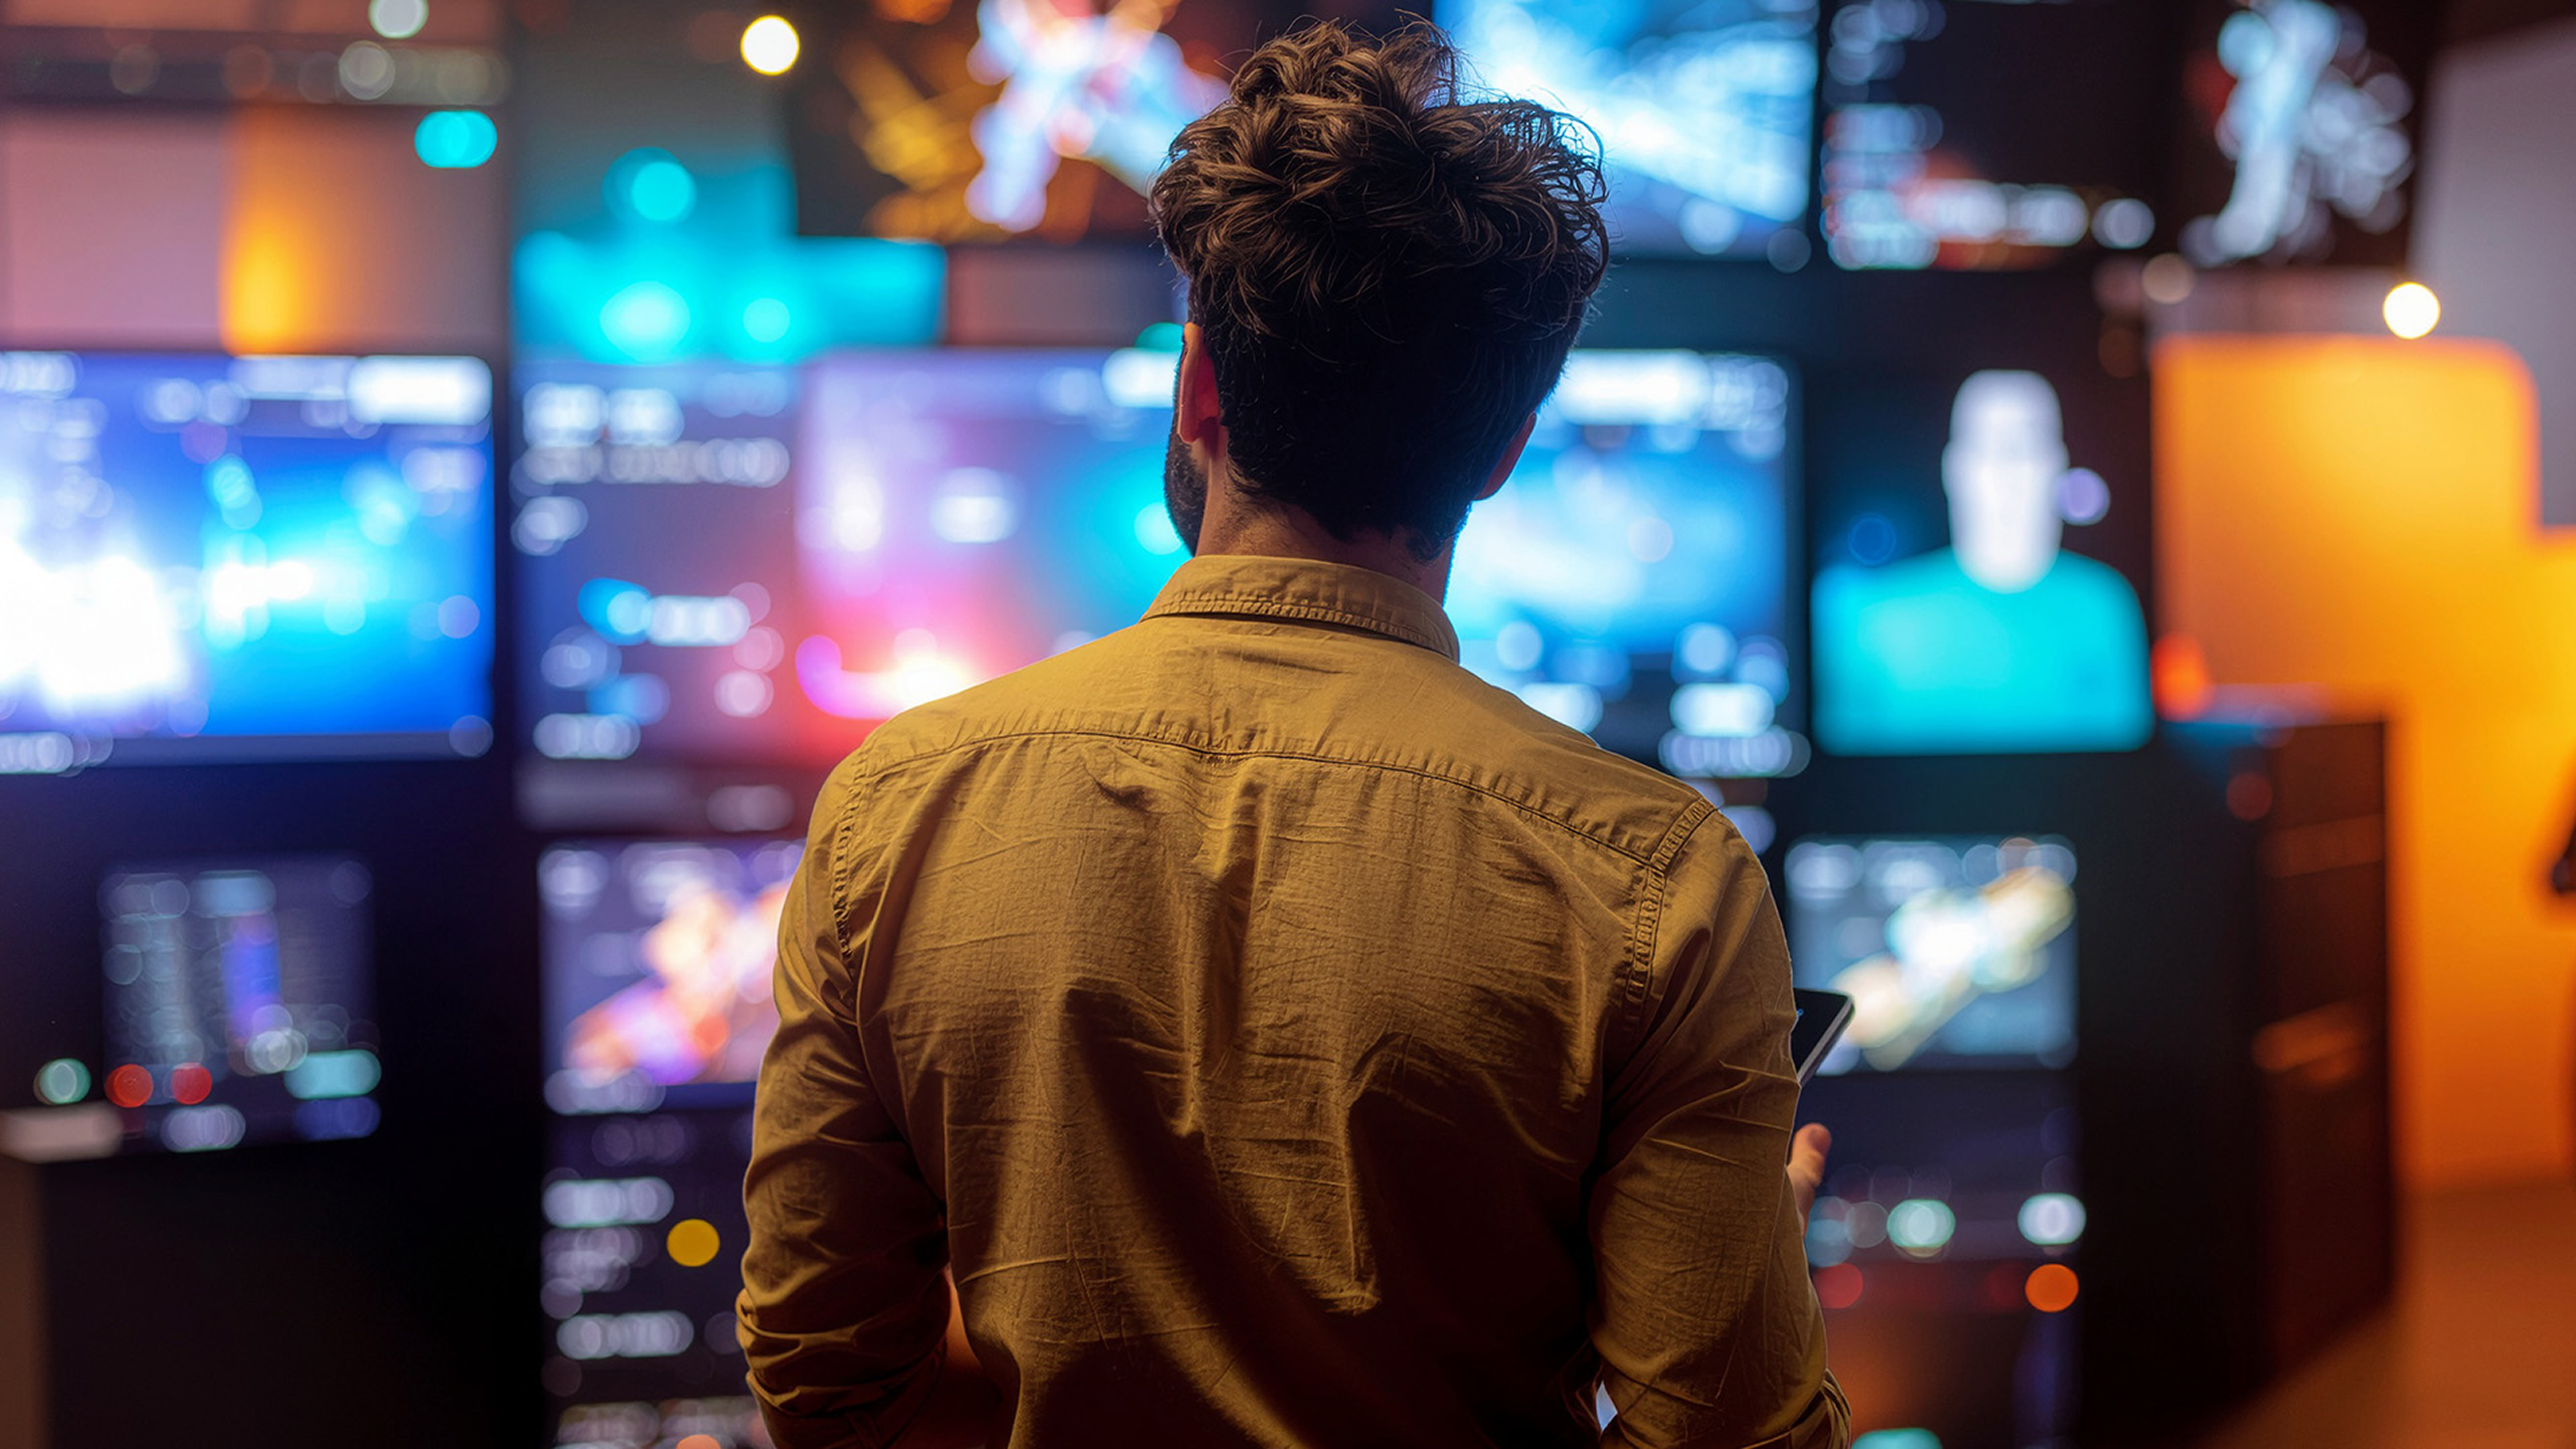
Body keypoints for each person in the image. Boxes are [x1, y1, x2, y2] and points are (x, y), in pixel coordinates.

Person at [737, 20, 1849, 1448]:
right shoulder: (1658, 877)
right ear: (1504, 449)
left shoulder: (898, 805)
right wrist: (1740, 1274)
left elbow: (822, 1383)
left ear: (1198, 389)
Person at [1813, 369, 2150, 755]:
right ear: (1954, 468)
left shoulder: (2102, 606)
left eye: (2026, 446)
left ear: (2057, 465)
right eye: (1989, 446)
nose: (2009, 473)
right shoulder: (1874, 621)